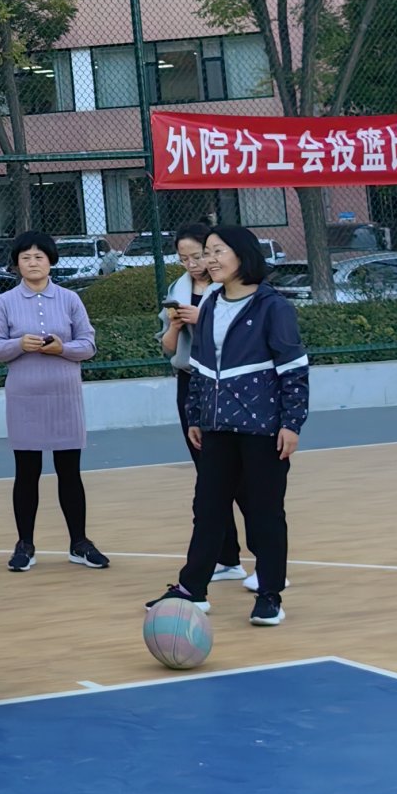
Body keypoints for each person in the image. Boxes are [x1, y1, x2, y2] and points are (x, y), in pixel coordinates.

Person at [148, 223, 306, 630]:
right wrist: (196, 415)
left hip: (263, 429)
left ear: (243, 255)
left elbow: (293, 369)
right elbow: (199, 366)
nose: (210, 259)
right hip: (216, 427)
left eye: (218, 251)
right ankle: (192, 589)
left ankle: (269, 595)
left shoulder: (272, 306)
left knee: (265, 511)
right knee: (208, 508)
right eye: (208, 252)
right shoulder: (212, 303)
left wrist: (291, 423)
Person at [0, 232, 108, 572]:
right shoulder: (5, 302)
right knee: (26, 473)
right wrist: (18, 344)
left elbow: (88, 345)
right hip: (24, 399)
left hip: (64, 398)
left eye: (39, 256)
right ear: (16, 264)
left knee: (70, 472)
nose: (33, 262)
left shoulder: (70, 299)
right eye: (25, 257)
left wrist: (62, 348)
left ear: (51, 261)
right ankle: (25, 544)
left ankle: (79, 543)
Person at [160, 229, 245, 584]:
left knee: (241, 477)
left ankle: (269, 563)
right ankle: (228, 558)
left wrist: (203, 318)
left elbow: (237, 338)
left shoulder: (232, 289)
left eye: (198, 255)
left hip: (226, 384)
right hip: (191, 383)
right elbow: (168, 348)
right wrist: (176, 325)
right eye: (184, 258)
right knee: (209, 475)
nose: (193, 264)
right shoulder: (177, 291)